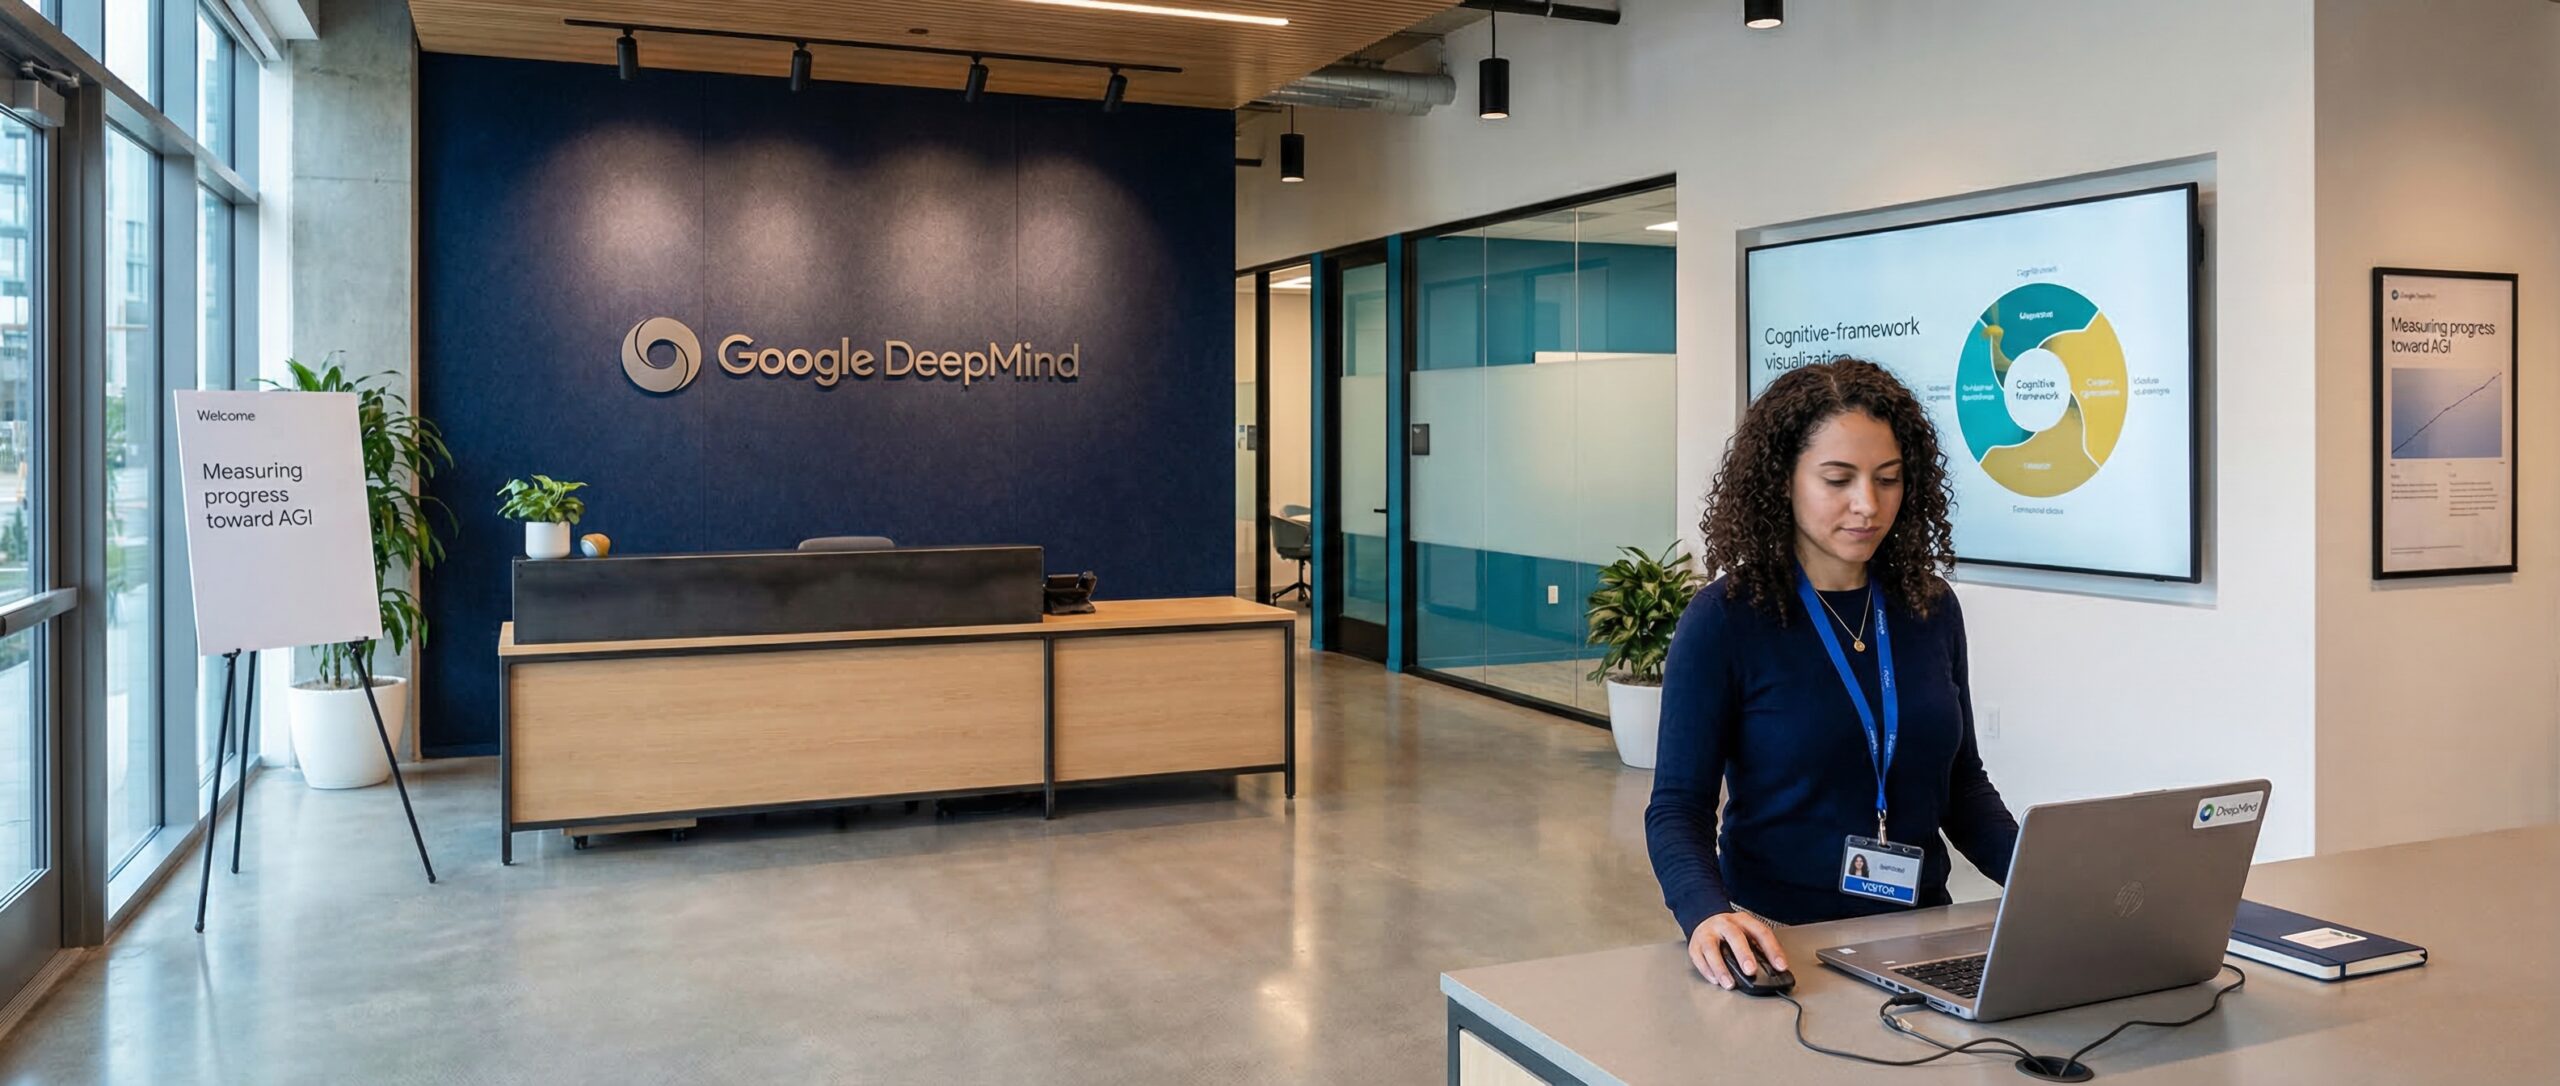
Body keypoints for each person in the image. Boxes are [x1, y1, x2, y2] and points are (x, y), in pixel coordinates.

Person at [1646, 358, 2020, 990]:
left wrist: (2055, 885)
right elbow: (1678, 807)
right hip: (1784, 945)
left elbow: (1961, 788)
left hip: (1920, 938)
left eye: (1889, 479)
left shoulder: (1929, 608)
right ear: (1782, 481)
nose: (1867, 505)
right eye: (1837, 479)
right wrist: (1706, 913)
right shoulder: (1726, 620)